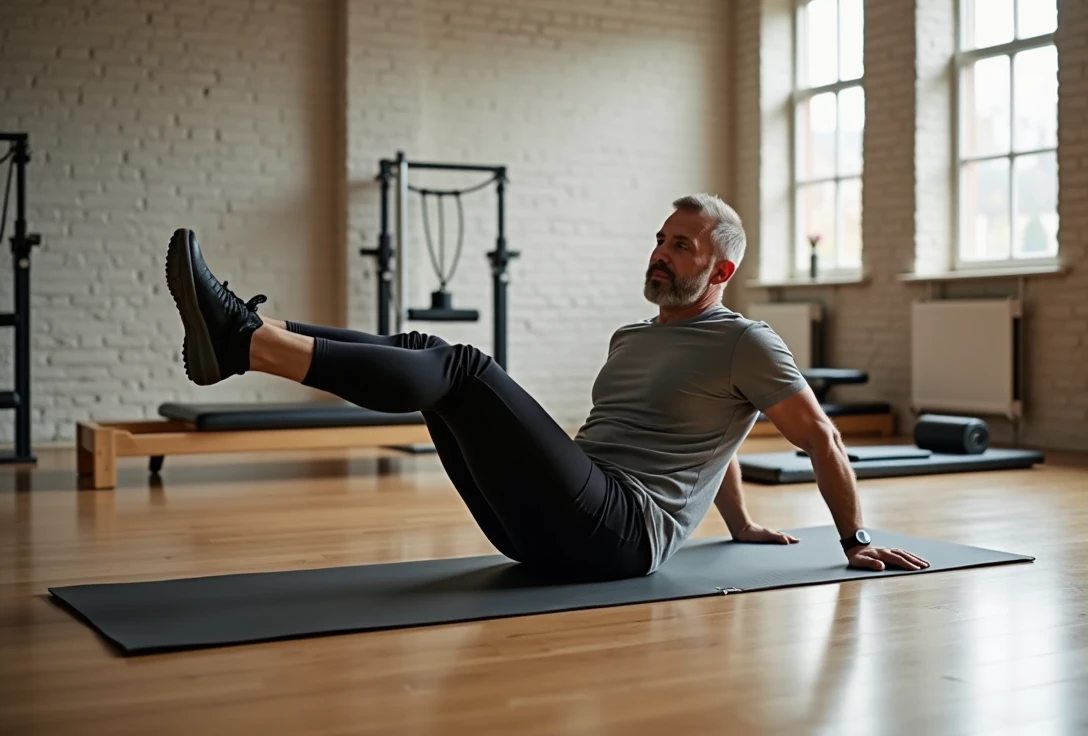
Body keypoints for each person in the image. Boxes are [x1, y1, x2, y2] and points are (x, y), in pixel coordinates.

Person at [165, 193, 929, 582]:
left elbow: (820, 437)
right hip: (545, 527)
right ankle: (256, 336)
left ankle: (244, 341)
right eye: (661, 238)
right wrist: (738, 523)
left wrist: (855, 540)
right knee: (430, 354)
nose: (659, 252)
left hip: (617, 534)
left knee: (462, 368)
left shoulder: (744, 340)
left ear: (719, 271)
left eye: (680, 245)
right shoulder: (635, 336)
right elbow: (715, 437)